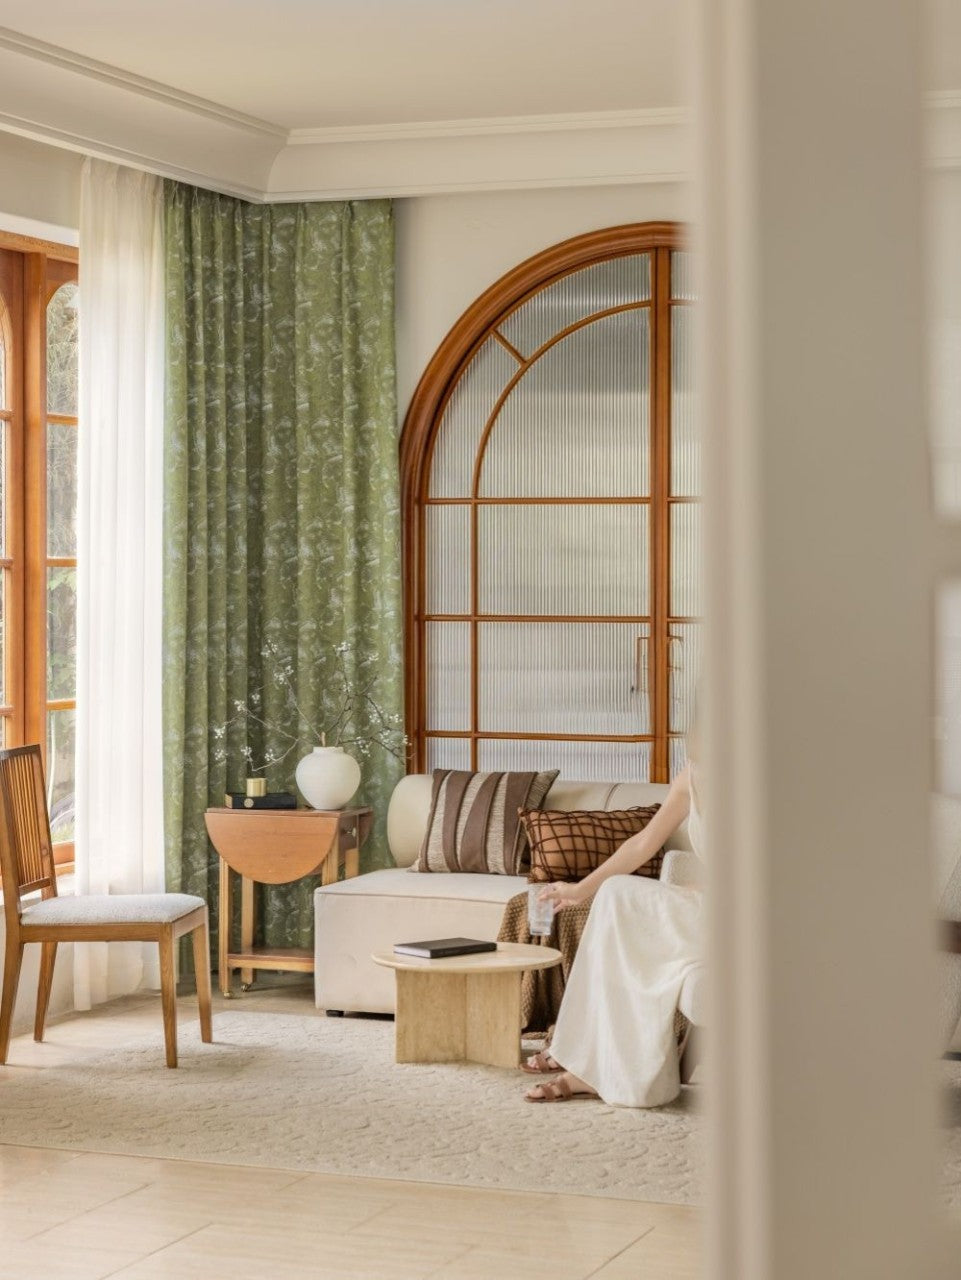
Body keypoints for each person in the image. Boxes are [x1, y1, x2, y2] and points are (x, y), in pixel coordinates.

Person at [523, 759, 705, 1106]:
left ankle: (576, 1054)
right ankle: (589, 1062)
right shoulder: (691, 778)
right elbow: (641, 844)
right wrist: (580, 890)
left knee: (619, 898)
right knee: (614, 906)